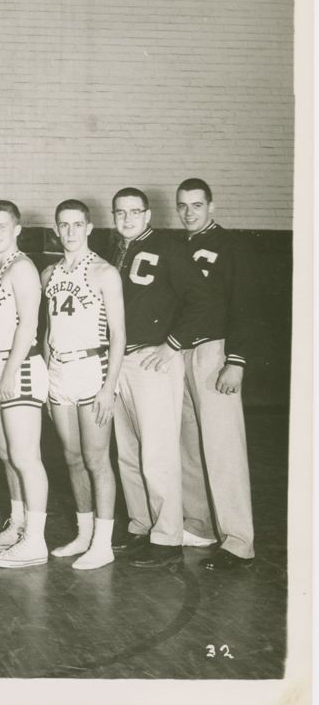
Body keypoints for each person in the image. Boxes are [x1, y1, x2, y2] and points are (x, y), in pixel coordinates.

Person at [110, 187, 210, 569]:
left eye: (135, 212)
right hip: (120, 362)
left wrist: (171, 345)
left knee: (158, 453)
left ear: (148, 215)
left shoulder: (169, 248)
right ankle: (142, 525)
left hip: (153, 361)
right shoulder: (117, 251)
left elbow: (202, 299)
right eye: (120, 213)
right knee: (128, 453)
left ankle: (168, 537)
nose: (127, 219)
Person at [175, 178, 255, 571]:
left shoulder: (229, 245)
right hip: (179, 352)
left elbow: (244, 303)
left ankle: (239, 540)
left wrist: (236, 360)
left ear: (212, 206)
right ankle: (199, 525)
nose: (189, 212)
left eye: (197, 205)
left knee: (223, 447)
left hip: (214, 351)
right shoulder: (177, 247)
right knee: (186, 443)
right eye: (183, 206)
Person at [42, 199, 125, 571]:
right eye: (64, 225)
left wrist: (109, 387)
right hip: (59, 371)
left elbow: (119, 335)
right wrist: (45, 375)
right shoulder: (50, 274)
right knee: (72, 457)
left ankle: (103, 543)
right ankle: (84, 532)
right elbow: (47, 331)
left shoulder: (106, 273)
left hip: (92, 369)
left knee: (96, 459)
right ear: (56, 229)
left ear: (90, 228)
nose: (70, 232)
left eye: (77, 225)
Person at [0, 200, 50, 569]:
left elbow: (29, 326)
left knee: (26, 456)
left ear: (17, 229)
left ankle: (36, 541)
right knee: (8, 454)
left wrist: (8, 371)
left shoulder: (22, 268)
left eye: (2, 226)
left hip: (19, 365)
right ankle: (19, 523)